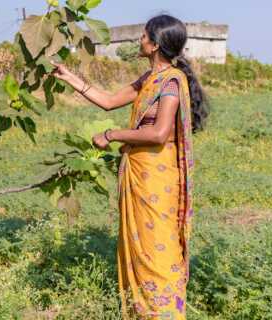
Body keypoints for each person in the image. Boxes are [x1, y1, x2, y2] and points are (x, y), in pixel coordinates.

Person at [51, 14, 209, 319]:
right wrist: (69, 77)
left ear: (155, 44)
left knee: (157, 248)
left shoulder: (171, 82)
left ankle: (163, 313)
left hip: (156, 176)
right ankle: (142, 311)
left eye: (144, 36)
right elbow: (109, 101)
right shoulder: (148, 79)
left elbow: (158, 133)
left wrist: (112, 135)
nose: (140, 40)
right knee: (141, 247)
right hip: (140, 171)